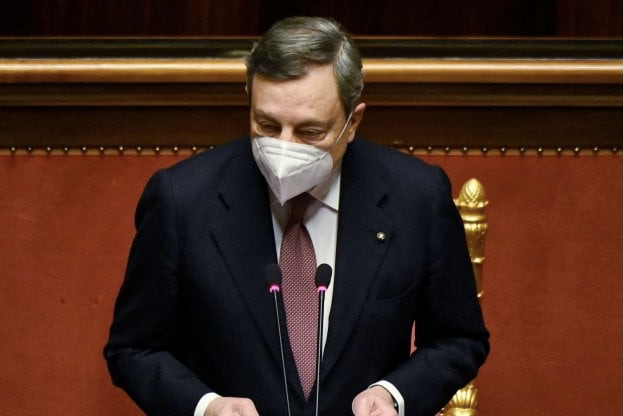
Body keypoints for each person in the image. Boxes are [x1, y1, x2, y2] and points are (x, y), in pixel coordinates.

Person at [104, 16, 489, 416]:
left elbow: (459, 339)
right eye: (267, 125)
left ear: (353, 122)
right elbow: (133, 349)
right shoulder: (182, 200)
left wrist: (393, 394)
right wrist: (206, 407)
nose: (284, 148)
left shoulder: (416, 197)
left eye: (310, 133)